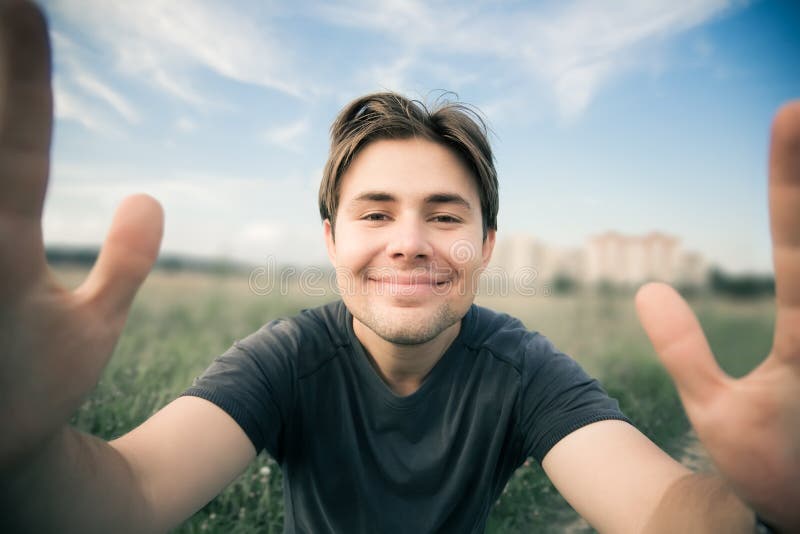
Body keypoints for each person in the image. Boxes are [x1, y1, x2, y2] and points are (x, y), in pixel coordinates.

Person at [0, 1, 797, 532]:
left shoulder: (522, 369)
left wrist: (762, 509)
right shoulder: (286, 360)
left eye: (445, 216)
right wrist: (25, 453)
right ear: (330, 241)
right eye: (375, 213)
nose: (409, 240)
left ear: (486, 247)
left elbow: (660, 509)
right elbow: (131, 494)